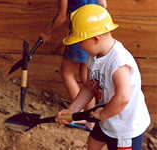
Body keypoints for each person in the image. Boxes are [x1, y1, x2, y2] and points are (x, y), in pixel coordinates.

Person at [57, 4, 151, 150]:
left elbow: (123, 97)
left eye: (80, 41)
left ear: (96, 39)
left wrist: (103, 114)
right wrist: (72, 110)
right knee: (93, 142)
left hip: (124, 127)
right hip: (106, 117)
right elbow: (89, 86)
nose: (79, 45)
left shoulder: (118, 62)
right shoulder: (93, 57)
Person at [40, 0, 107, 130]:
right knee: (85, 77)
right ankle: (90, 120)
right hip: (94, 33)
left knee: (66, 73)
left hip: (79, 34)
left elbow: (61, 17)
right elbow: (103, 6)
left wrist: (47, 33)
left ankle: (80, 114)